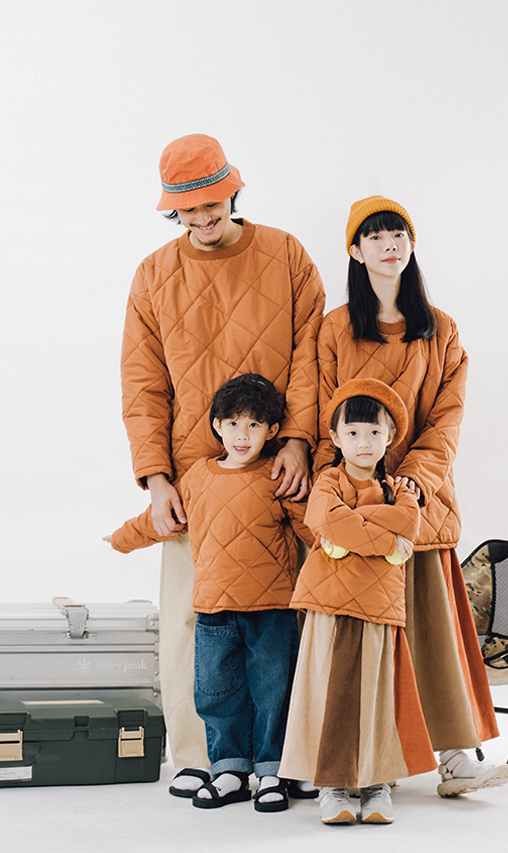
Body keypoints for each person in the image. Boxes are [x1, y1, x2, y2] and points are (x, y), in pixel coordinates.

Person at [119, 133, 325, 793]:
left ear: (234, 193)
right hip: (191, 481)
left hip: (277, 475)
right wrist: (156, 478)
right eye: (188, 212)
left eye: (212, 206)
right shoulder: (154, 274)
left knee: (283, 621)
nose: (202, 220)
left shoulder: (286, 255)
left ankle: (283, 759)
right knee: (192, 620)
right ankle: (198, 756)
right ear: (172, 211)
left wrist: (297, 440)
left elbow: (311, 357)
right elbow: (143, 385)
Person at [314, 195, 508, 798]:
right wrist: (348, 489)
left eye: (398, 234)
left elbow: (446, 422)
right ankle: (365, 764)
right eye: (374, 236)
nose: (389, 245)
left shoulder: (441, 330)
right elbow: (321, 414)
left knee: (433, 634)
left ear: (411, 244)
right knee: (360, 640)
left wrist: (410, 485)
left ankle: (456, 760)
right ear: (355, 251)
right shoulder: (334, 328)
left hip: (419, 504)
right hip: (353, 505)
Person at [107, 374, 311, 812]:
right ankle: (229, 769)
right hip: (214, 612)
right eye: (233, 424)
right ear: (217, 425)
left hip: (271, 611)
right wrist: (122, 538)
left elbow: (310, 527)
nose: (242, 435)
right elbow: (162, 519)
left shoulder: (276, 476)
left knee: (273, 693)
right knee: (218, 695)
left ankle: (272, 771)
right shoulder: (199, 476)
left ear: (273, 430)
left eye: (254, 425)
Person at [279, 378, 433, 825]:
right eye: (352, 433)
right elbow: (325, 519)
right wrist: (384, 541)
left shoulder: (401, 491)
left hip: (380, 606)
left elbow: (407, 523)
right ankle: (333, 784)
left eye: (374, 432)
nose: (363, 443)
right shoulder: (328, 481)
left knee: (376, 694)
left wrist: (350, 531)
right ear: (335, 437)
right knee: (330, 692)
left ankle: (376, 782)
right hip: (330, 603)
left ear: (390, 437)